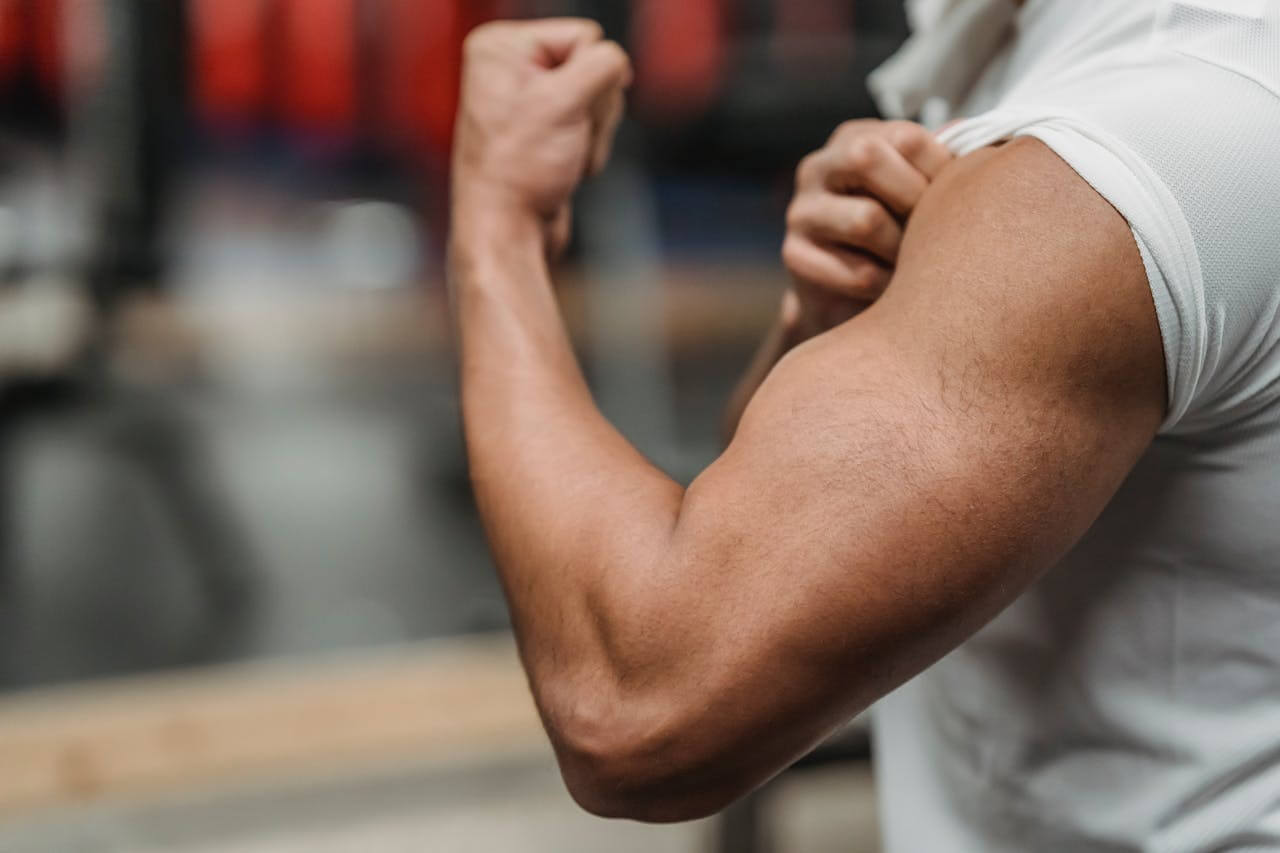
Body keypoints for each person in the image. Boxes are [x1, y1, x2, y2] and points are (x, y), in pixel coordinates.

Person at [447, 1, 1280, 848]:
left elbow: (637, 706)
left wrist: (496, 228)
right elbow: (758, 531)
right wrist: (832, 325)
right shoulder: (1041, 54)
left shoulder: (1150, 135)